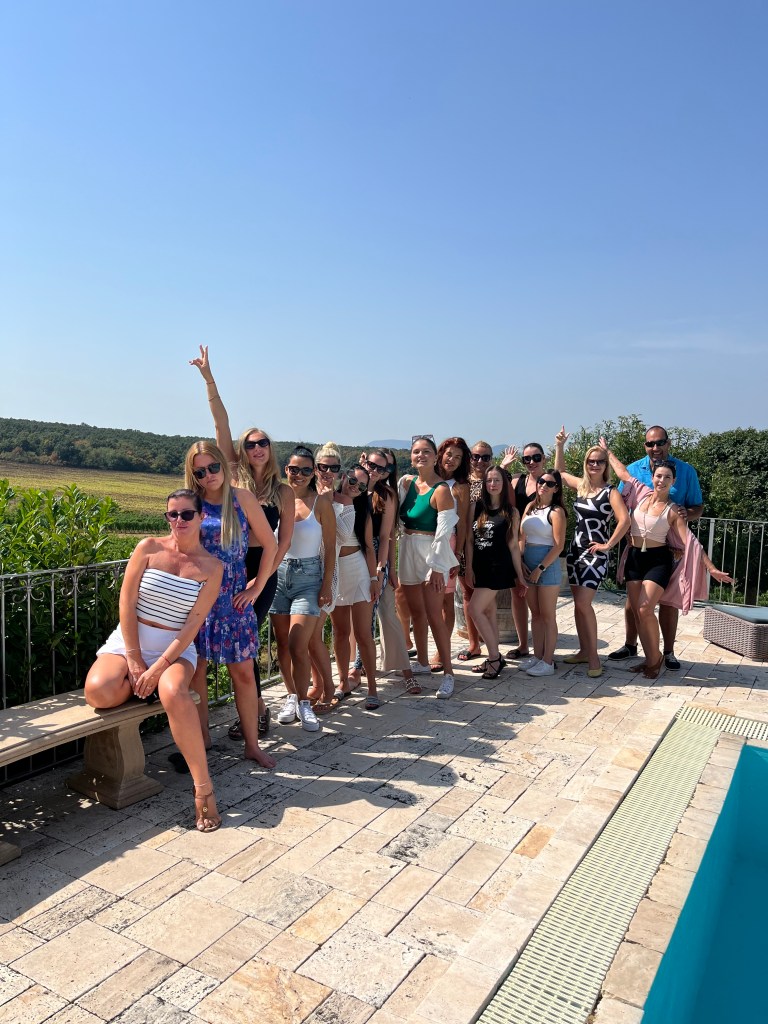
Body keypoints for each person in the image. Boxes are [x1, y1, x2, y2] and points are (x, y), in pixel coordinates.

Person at [85, 490, 225, 832]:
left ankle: (203, 788)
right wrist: (135, 661)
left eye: (187, 514)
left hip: (174, 649)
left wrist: (159, 667)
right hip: (129, 642)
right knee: (98, 692)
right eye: (172, 514)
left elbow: (192, 625)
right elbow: (126, 602)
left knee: (175, 692)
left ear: (201, 517)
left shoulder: (212, 567)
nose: (179, 520)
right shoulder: (148, 547)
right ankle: (143, 687)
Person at [190, 346, 294, 740]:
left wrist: (260, 582)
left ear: (270, 447)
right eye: (249, 444)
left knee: (244, 648)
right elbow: (221, 420)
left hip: (261, 570)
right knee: (233, 652)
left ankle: (255, 713)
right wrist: (209, 379)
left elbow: (281, 542)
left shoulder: (282, 491)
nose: (256, 449)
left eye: (262, 442)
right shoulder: (232, 474)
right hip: (228, 567)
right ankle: (257, 712)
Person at [601, 443, 733, 678]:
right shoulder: (641, 493)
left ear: (673, 482)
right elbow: (623, 473)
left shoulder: (673, 510)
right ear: (652, 477)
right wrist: (607, 451)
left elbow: (691, 542)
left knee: (645, 608)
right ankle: (649, 658)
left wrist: (711, 568)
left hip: (658, 561)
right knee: (638, 612)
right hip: (634, 558)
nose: (661, 480)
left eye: (667, 477)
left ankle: (656, 660)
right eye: (659, 476)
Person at [185, 442, 277, 768]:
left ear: (223, 466)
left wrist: (258, 586)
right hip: (198, 599)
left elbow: (271, 544)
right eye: (200, 471)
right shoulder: (191, 503)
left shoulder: (242, 499)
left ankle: (252, 745)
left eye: (213, 467)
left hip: (233, 601)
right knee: (195, 673)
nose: (208, 475)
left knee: (244, 674)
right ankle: (202, 741)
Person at [608, 425, 704, 670]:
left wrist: (686, 514)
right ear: (645, 446)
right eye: (650, 443)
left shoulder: (686, 471)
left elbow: (697, 507)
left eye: (660, 442)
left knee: (667, 603)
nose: (655, 447)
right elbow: (621, 503)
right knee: (633, 602)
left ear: (668, 443)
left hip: (671, 548)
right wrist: (625, 530)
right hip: (636, 545)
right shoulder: (634, 469)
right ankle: (631, 646)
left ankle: (668, 653)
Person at [554, 428, 630, 677]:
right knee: (578, 605)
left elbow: (624, 521)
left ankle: (594, 658)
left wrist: (608, 545)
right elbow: (560, 474)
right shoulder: (581, 486)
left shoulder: (611, 492)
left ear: (605, 465)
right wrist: (560, 447)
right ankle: (584, 651)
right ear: (586, 464)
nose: (594, 465)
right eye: (591, 461)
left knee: (584, 604)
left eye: (599, 461)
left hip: (595, 555)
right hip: (575, 551)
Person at [270, 445, 337, 730]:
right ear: (286, 469)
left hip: (309, 578)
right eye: (294, 469)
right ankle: (292, 697)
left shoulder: (321, 503)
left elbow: (331, 548)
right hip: (277, 574)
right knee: (283, 644)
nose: (298, 475)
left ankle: (305, 703)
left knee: (299, 644)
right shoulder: (274, 500)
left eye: (306, 470)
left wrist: (326, 585)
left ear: (314, 473)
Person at [398, 435, 459, 698]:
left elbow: (444, 533)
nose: (420, 455)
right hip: (407, 550)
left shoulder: (442, 490)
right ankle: (422, 661)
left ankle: (448, 673)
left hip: (431, 553)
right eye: (416, 451)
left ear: (436, 457)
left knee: (435, 615)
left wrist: (437, 567)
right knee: (416, 613)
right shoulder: (406, 483)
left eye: (426, 451)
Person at [465, 466, 527, 679]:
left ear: (504, 484)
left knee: (474, 609)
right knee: (488, 612)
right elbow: (469, 541)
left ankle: (494, 658)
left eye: (497, 480)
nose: (492, 484)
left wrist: (520, 576)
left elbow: (513, 546)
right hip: (480, 567)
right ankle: (495, 654)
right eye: (489, 480)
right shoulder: (476, 507)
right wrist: (469, 568)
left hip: (499, 568)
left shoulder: (512, 512)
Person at [330, 465, 382, 708]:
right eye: (352, 480)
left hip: (358, 570)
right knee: (340, 632)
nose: (355, 487)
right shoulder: (326, 501)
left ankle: (372, 687)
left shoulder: (362, 510)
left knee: (363, 634)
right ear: (343, 477)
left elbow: (370, 548)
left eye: (361, 486)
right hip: (335, 571)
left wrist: (374, 579)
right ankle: (343, 682)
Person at [501, 441, 550, 661]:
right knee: (518, 595)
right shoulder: (516, 481)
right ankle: (523, 645)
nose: (532, 462)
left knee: (542, 602)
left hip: (540, 547)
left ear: (544, 458)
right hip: (516, 545)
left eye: (536, 457)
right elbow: (496, 491)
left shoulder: (548, 482)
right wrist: (504, 467)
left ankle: (545, 649)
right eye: (527, 459)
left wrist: (560, 447)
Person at [519, 470, 567, 676]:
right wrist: (520, 561)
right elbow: (521, 537)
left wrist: (540, 568)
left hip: (546, 566)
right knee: (536, 614)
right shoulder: (530, 507)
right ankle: (537, 656)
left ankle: (548, 661)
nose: (544, 486)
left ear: (556, 488)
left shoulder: (557, 512)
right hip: (528, 564)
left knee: (548, 616)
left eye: (550, 483)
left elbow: (558, 546)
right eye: (541, 481)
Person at [433, 437, 471, 671]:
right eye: (449, 454)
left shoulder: (460, 486)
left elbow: (463, 523)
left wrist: (458, 554)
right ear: (440, 453)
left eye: (458, 457)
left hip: (448, 544)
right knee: (425, 599)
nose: (452, 460)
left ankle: (441, 650)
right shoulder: (428, 479)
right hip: (423, 543)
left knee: (446, 600)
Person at [456, 440, 495, 662]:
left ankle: (492, 645)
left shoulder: (496, 480)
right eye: (476, 456)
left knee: (487, 598)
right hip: (464, 543)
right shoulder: (461, 482)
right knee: (467, 594)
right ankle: (474, 644)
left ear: (491, 459)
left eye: (485, 457)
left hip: (488, 545)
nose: (480, 461)